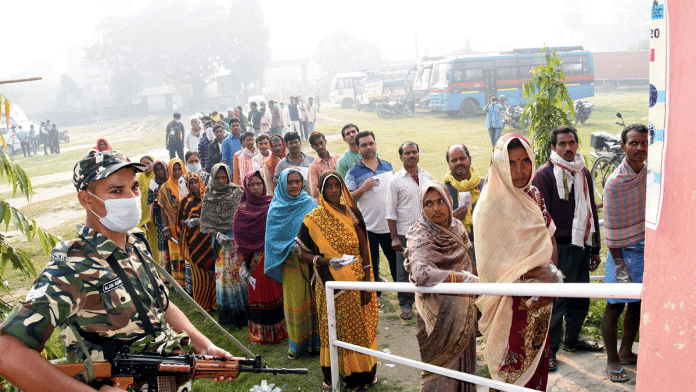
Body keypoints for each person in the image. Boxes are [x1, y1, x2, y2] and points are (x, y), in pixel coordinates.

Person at [0, 150, 233, 392]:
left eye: (134, 187)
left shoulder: (135, 244)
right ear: (87, 200)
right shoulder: (72, 265)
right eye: (116, 190)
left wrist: (204, 346)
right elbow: (7, 351)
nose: (131, 197)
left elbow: (163, 306)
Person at [474, 134, 562, 391]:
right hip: (507, 305)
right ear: (499, 164)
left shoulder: (534, 195)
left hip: (541, 301)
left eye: (525, 161)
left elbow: (550, 241)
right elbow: (494, 264)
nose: (520, 170)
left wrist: (551, 281)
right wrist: (543, 273)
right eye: (511, 163)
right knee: (508, 374)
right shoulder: (490, 205)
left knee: (538, 368)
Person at [297, 171, 378, 390]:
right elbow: (302, 253)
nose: (333, 190)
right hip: (330, 284)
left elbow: (364, 248)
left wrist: (368, 279)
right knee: (332, 327)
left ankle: (362, 375)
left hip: (357, 279)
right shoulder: (313, 219)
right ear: (321, 190)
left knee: (360, 328)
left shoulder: (352, 212)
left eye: (337, 185)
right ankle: (332, 375)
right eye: (328, 186)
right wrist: (325, 261)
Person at [533, 125, 603, 372]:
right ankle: (549, 352)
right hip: (558, 247)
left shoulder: (583, 171)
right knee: (557, 302)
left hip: (581, 246)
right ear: (553, 147)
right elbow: (539, 217)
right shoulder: (545, 175)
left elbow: (592, 209)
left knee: (580, 298)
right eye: (562, 144)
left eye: (572, 142)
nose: (568, 147)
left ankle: (572, 339)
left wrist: (595, 248)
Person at [404, 181, 478, 392]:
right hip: (438, 316)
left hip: (465, 310)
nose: (435, 208)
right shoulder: (420, 233)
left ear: (448, 201)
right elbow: (422, 274)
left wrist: (473, 285)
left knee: (466, 366)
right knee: (440, 370)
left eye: (440, 202)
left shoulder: (457, 226)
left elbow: (469, 261)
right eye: (428, 203)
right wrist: (460, 279)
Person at [601, 124, 648, 383]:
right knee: (613, 307)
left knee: (637, 305)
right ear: (623, 146)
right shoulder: (615, 183)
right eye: (633, 143)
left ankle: (626, 350)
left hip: (646, 252)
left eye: (644, 142)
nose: (639, 148)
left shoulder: (650, 176)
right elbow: (612, 228)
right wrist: (619, 266)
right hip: (622, 254)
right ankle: (612, 359)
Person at [264, 168, 319, 359]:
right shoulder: (276, 208)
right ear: (282, 184)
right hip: (291, 266)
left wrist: (307, 249)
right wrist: (291, 248)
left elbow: (317, 232)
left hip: (311, 265)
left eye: (298, 181)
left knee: (315, 303)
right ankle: (298, 347)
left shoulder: (309, 203)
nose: (295, 186)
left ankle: (317, 345)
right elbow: (272, 241)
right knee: (296, 305)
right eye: (290, 182)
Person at [234, 171, 288, 345]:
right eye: (252, 185)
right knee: (257, 294)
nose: (256, 188)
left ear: (263, 185)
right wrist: (242, 264)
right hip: (253, 260)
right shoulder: (242, 210)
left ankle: (278, 331)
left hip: (272, 256)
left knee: (275, 292)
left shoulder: (272, 203)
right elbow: (238, 239)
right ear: (247, 187)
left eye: (259, 184)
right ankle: (260, 334)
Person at [346, 131, 396, 298]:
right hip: (368, 227)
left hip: (390, 225)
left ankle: (404, 297)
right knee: (371, 264)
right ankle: (376, 296)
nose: (369, 147)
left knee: (396, 263)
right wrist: (363, 188)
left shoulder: (387, 166)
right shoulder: (353, 172)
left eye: (371, 143)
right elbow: (349, 199)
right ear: (358, 148)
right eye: (364, 145)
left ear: (375, 144)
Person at [386, 142, 431, 320]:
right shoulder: (395, 180)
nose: (411, 155)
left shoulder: (427, 176)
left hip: (427, 232)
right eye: (407, 153)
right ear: (401, 157)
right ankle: (405, 304)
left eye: (414, 152)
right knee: (404, 271)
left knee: (425, 268)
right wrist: (394, 237)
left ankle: (425, 301)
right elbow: (390, 212)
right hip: (405, 234)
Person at [200, 163, 247, 327]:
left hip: (237, 240)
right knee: (225, 277)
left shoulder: (238, 192)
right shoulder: (208, 194)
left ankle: (245, 313)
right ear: (213, 178)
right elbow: (206, 221)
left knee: (240, 274)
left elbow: (244, 215)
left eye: (224, 177)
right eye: (218, 177)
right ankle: (230, 316)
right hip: (219, 243)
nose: (221, 181)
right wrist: (217, 234)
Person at [177, 173, 216, 311]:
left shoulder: (209, 198)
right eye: (191, 183)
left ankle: (215, 303)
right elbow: (179, 223)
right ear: (187, 185)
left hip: (210, 240)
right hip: (194, 243)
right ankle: (203, 305)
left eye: (196, 182)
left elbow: (216, 217)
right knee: (199, 275)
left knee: (213, 272)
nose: (194, 185)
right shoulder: (184, 201)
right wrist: (187, 223)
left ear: (200, 182)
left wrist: (200, 221)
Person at [443, 144, 483, 246]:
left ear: (469, 159)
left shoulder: (485, 185)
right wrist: (452, 220)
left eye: (462, 158)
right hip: (455, 248)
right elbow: (434, 226)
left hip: (484, 246)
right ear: (449, 164)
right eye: (454, 160)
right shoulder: (442, 191)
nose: (459, 163)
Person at [158, 159, 188, 289]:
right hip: (173, 228)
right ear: (169, 171)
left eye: (179, 169)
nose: (177, 172)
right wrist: (165, 228)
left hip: (190, 227)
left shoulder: (189, 182)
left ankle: (191, 282)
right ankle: (180, 284)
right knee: (177, 254)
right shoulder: (165, 188)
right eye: (173, 169)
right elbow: (163, 209)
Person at [147, 160, 171, 276]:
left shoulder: (172, 180)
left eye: (162, 169)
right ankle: (166, 274)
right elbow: (149, 202)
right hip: (161, 219)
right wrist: (156, 202)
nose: (160, 172)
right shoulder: (154, 183)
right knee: (163, 243)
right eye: (157, 170)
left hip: (174, 217)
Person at [307, 131, 340, 202]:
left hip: (342, 200)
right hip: (325, 203)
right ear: (312, 147)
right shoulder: (313, 167)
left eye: (321, 143)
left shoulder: (338, 158)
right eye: (316, 145)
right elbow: (314, 192)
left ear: (325, 142)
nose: (320, 147)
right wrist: (334, 189)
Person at [137, 155, 158, 264]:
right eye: (143, 164)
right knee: (148, 242)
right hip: (144, 215)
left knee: (157, 242)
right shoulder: (139, 178)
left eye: (148, 163)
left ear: (153, 163)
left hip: (155, 213)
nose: (146, 166)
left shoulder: (157, 175)